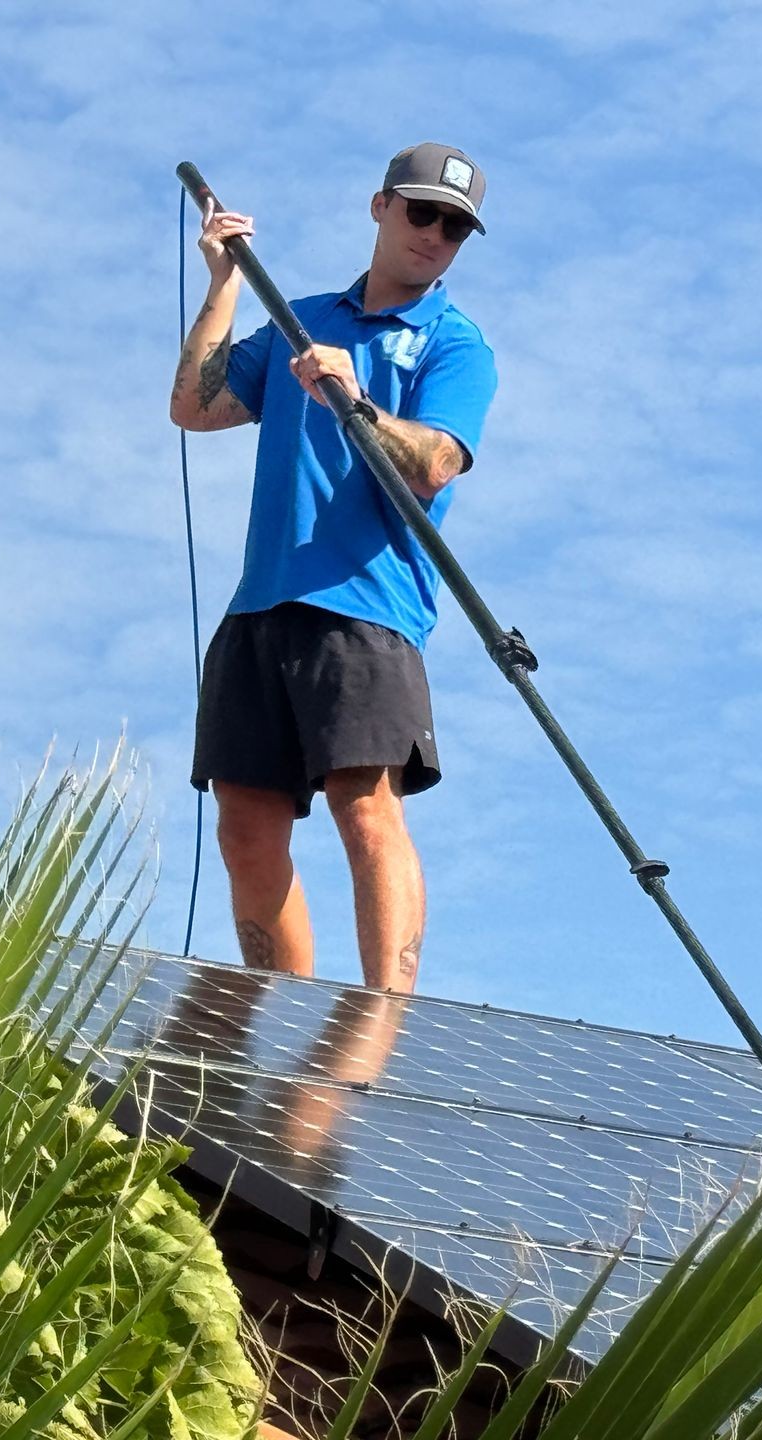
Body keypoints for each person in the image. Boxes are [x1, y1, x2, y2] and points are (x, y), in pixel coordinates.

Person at [169, 142, 496, 995]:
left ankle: (386, 1021)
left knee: (364, 804)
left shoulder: (454, 345)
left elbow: (434, 463)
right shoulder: (299, 321)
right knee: (243, 822)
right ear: (381, 206)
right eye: (423, 212)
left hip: (367, 606)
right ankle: (280, 1012)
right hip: (260, 605)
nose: (435, 235)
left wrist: (355, 401)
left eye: (455, 227)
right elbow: (195, 406)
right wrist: (223, 286)